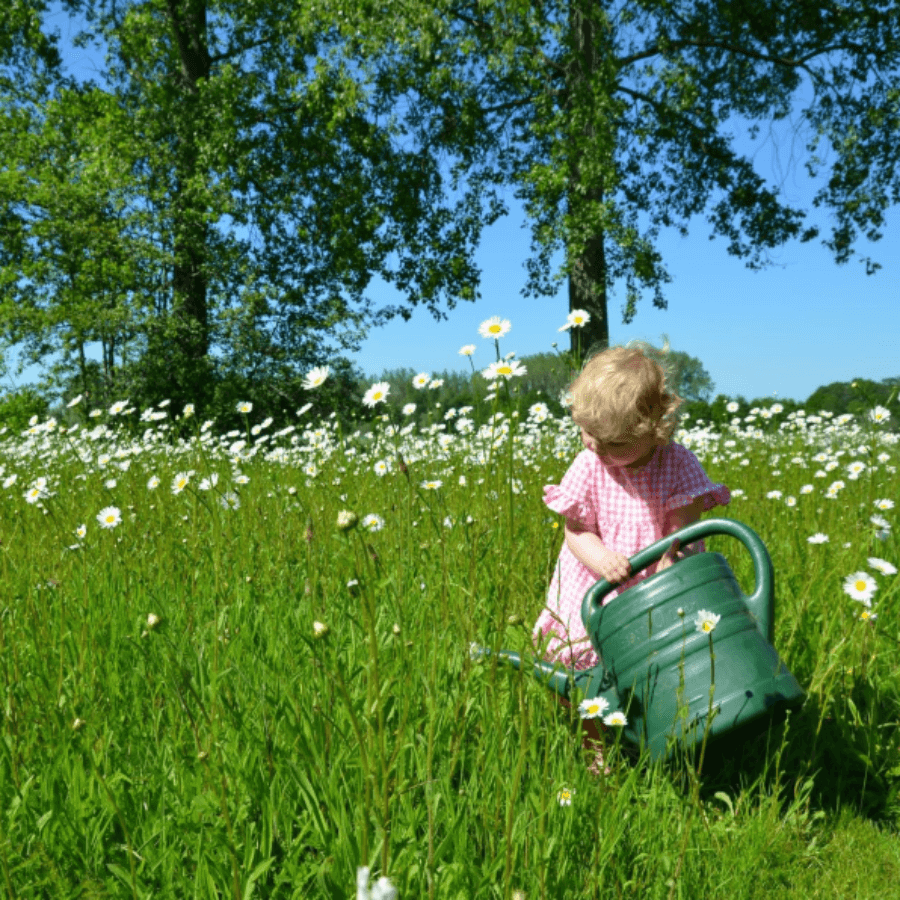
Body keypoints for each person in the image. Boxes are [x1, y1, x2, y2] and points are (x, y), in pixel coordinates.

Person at [533, 343, 731, 674]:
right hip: (595, 583)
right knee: (582, 663)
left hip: (659, 583)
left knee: (663, 664)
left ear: (654, 429)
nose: (595, 446)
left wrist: (674, 558)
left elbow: (683, 530)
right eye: (586, 431)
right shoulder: (589, 464)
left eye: (613, 442)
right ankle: (582, 705)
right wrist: (602, 559)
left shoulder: (677, 464)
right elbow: (576, 530)